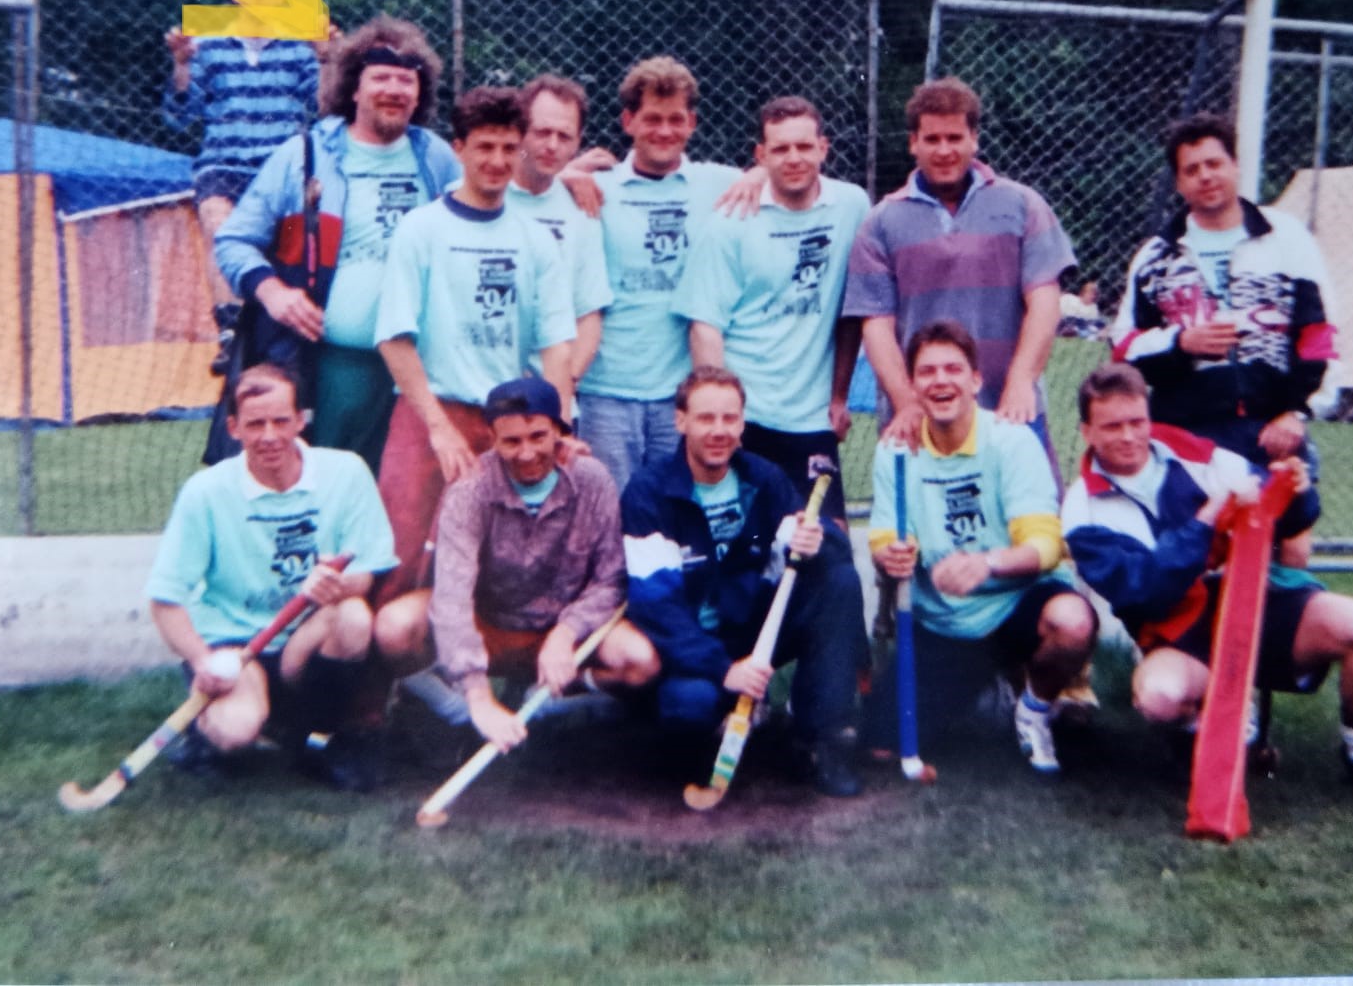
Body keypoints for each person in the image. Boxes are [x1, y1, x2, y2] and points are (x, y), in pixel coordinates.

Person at [1062, 361, 1353, 793]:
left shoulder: (1195, 453)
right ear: (1087, 432)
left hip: (1254, 603)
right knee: (1160, 697)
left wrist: (1296, 492)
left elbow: (1281, 514)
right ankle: (1209, 732)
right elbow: (1146, 592)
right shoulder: (1081, 509)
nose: (1130, 436)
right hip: (1178, 631)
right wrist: (1207, 520)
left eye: (1137, 421)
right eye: (1112, 426)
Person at [214, 16, 459, 470]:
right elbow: (234, 240)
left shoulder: (436, 158)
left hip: (420, 371)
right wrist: (273, 292)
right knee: (326, 486)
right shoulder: (304, 155)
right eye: (381, 77)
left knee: (405, 505)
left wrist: (565, 180)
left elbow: (494, 205)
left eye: (407, 80)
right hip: (331, 366)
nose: (395, 89)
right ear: (353, 88)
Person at [144, 364, 398, 791]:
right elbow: (164, 601)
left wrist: (335, 587)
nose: (269, 436)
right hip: (235, 646)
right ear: (233, 428)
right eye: (255, 424)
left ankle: (320, 738)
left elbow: (366, 575)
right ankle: (211, 732)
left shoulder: (346, 473)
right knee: (234, 731)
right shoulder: (205, 492)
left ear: (301, 420)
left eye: (281, 421)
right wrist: (202, 660)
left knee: (353, 617)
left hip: (303, 642)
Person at [375, 376, 660, 751]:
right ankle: (459, 713)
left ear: (560, 431)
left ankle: (545, 708)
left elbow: (610, 580)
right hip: (488, 624)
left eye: (538, 437)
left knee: (640, 662)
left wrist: (566, 633)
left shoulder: (592, 479)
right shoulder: (470, 491)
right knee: (394, 626)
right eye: (511, 441)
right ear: (492, 438)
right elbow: (453, 595)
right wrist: (477, 694)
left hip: (559, 629)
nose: (526, 453)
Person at [622, 366, 866, 798]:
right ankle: (712, 719)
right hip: (695, 642)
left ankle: (820, 737)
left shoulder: (762, 477)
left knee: (840, 581)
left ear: (742, 422)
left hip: (754, 628)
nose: (720, 431)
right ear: (680, 421)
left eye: (730, 419)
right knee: (687, 711)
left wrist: (815, 536)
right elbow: (655, 607)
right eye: (706, 418)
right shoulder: (648, 492)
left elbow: (811, 536)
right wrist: (724, 670)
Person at [373, 87, 577, 604]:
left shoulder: (535, 239)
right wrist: (438, 429)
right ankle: (382, 682)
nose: (498, 161)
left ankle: (484, 678)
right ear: (459, 148)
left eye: (510, 149)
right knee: (401, 559)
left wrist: (557, 428)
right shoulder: (421, 229)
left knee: (495, 570)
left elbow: (557, 346)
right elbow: (395, 340)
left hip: (506, 423)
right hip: (430, 416)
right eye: (485, 147)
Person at [867, 321, 1096, 775]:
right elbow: (883, 535)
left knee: (1071, 623)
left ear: (976, 380)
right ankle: (983, 683)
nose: (940, 381)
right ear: (912, 385)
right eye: (927, 372)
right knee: (880, 748)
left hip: (1016, 605)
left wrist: (986, 563)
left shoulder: (1011, 441)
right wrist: (892, 553)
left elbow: (1046, 546)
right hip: (948, 620)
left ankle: (1033, 708)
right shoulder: (895, 451)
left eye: (953, 369)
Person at [844, 77, 1076, 455]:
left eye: (954, 138)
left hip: (1009, 408)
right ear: (912, 144)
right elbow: (876, 326)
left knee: (1026, 513)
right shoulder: (881, 223)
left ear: (974, 139)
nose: (944, 150)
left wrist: (1021, 381)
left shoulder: (1022, 205)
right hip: (922, 418)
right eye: (932, 139)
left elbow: (1045, 300)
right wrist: (906, 402)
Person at [674, 95, 869, 521]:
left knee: (829, 552)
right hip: (748, 417)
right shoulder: (729, 223)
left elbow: (852, 313)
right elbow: (705, 327)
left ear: (824, 147)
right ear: (760, 156)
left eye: (804, 146)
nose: (793, 158)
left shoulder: (852, 207)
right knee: (746, 552)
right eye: (780, 149)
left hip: (811, 418)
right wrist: (726, 418)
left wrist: (838, 396)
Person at [1114, 111, 1338, 477]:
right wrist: (1180, 342)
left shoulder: (1285, 238)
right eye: (1191, 170)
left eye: (1214, 163)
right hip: (1184, 433)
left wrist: (1297, 413)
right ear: (1178, 184)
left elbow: (1320, 335)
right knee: (1193, 531)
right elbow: (1123, 348)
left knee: (1283, 524)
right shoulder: (1155, 257)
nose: (1205, 176)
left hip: (1270, 430)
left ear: (1235, 166)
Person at [575, 57, 745, 488]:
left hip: (679, 393)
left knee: (677, 512)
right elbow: (527, 191)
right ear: (628, 121)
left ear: (692, 123)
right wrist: (563, 175)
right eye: (652, 119)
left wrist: (760, 173)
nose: (664, 131)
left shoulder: (718, 183)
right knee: (610, 514)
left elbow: (777, 174)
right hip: (607, 391)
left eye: (676, 120)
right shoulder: (598, 186)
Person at [162, 28, 323, 370]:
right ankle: (229, 329)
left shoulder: (299, 48)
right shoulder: (207, 46)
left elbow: (324, 109)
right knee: (217, 223)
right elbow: (178, 117)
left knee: (295, 241)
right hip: (224, 162)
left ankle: (293, 323)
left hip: (281, 164)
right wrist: (181, 66)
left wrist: (327, 57)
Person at [507, 74, 612, 392]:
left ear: (578, 142)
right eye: (542, 132)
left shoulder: (582, 209)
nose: (552, 146)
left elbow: (589, 316)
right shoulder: (474, 196)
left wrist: (560, 389)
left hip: (551, 397)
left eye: (564, 136)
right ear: (520, 131)